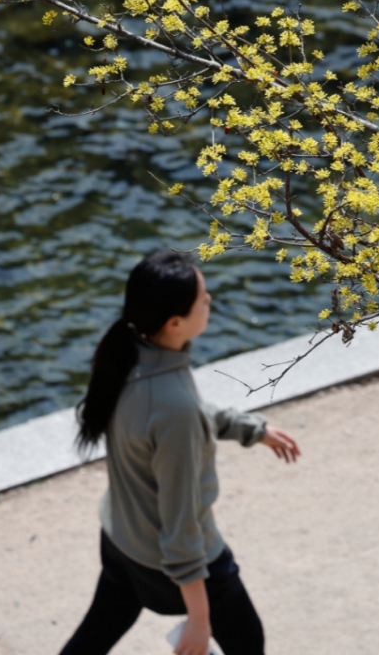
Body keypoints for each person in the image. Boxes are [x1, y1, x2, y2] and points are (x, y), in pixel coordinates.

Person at [59, 250, 301, 655]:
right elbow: (181, 522)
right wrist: (199, 621)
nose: (211, 301)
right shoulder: (173, 407)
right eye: (203, 299)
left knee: (95, 635)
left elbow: (175, 417)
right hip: (170, 567)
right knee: (248, 643)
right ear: (174, 323)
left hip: (121, 539)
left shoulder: (131, 358)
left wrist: (249, 428)